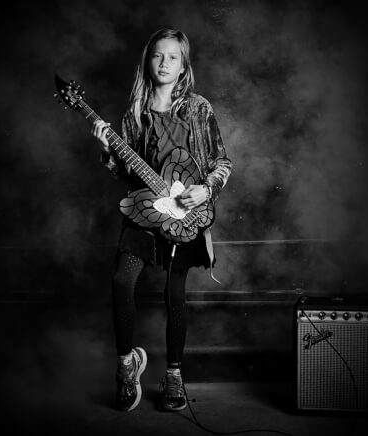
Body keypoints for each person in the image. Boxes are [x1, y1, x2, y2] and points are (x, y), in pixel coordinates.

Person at [91, 28, 232, 412]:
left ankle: (173, 376)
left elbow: (222, 162)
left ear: (183, 65)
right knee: (123, 282)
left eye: (172, 57)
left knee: (175, 297)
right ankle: (126, 366)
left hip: (184, 217)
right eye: (157, 55)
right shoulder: (134, 112)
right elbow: (127, 174)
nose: (164, 63)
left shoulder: (198, 109)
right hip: (143, 213)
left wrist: (205, 189)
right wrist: (108, 150)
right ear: (147, 61)